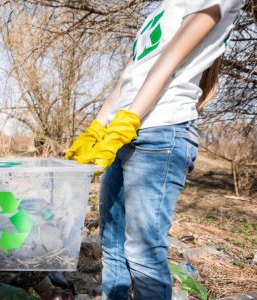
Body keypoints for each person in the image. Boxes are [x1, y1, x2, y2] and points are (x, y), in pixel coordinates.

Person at [65, 1, 245, 298]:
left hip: (161, 130)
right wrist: (97, 127)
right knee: (111, 245)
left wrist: (131, 117)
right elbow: (130, 76)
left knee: (143, 253)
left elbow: (172, 58)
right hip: (124, 130)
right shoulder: (162, 7)